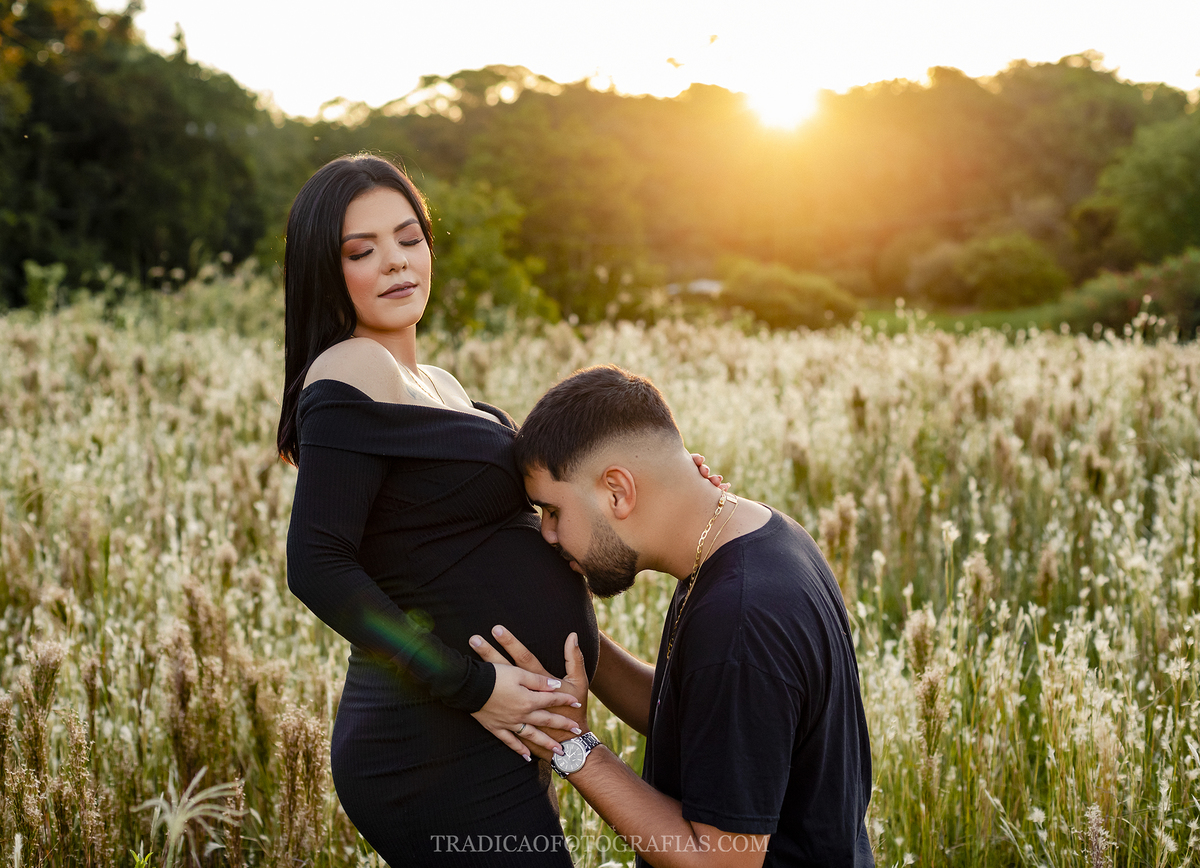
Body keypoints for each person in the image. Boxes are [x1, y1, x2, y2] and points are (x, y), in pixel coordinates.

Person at [277, 155, 724, 865]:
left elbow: (538, 502)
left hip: (496, 728)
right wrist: (474, 686)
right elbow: (318, 565)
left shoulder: (441, 383)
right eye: (362, 251)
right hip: (430, 735)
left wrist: (665, 477)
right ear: (324, 272)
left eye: (409, 238)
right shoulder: (351, 368)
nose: (396, 263)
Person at [469, 365, 875, 867]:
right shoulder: (757, 536)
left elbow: (721, 862)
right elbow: (699, 715)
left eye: (552, 511)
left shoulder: (739, 621)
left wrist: (571, 746)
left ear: (617, 491)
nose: (547, 535)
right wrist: (574, 643)